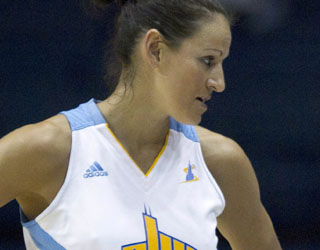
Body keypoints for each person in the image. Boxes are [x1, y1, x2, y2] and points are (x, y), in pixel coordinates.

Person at [0, 0, 282, 249]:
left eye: (221, 63)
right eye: (208, 60)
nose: (219, 83)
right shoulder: (46, 149)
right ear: (156, 49)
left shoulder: (220, 162)